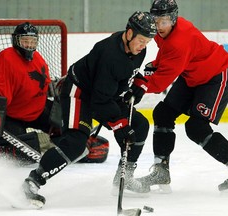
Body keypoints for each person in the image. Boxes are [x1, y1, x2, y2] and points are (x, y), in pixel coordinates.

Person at [21, 11, 157, 208]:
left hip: (102, 94)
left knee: (140, 124)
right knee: (76, 143)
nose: (144, 46)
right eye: (141, 40)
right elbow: (99, 102)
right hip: (80, 93)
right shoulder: (110, 54)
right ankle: (32, 182)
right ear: (129, 33)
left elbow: (123, 74)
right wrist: (120, 125)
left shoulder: (137, 49)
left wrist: (138, 82)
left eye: (148, 41)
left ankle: (125, 176)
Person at [138, 0, 228, 193]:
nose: (159, 26)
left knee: (196, 127)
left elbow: (159, 84)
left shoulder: (180, 40)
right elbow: (166, 55)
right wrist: (156, 64)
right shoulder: (163, 32)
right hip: (191, 75)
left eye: (164, 21)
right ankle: (161, 171)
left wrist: (135, 87)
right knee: (163, 113)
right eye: (156, 20)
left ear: (173, 19)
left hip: (216, 76)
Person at [0, 22, 52, 160]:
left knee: (64, 125)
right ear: (16, 41)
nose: (29, 45)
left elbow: (45, 81)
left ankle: (57, 141)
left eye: (33, 41)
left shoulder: (38, 58)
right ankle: (45, 142)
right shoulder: (7, 58)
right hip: (13, 116)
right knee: (16, 155)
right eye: (25, 41)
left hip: (36, 110)